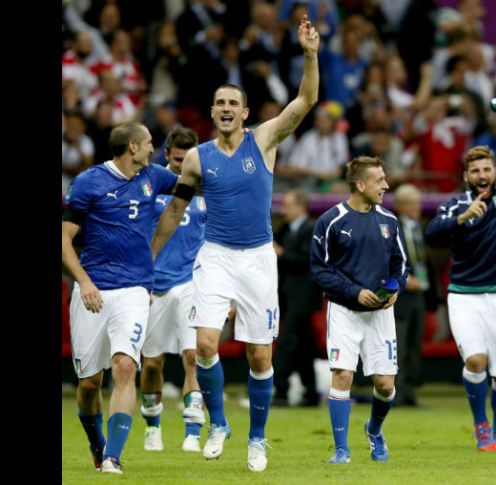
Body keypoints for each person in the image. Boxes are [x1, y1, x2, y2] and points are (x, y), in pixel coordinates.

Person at [151, 15, 320, 473]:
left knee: (259, 354)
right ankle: (219, 424)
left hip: (259, 259)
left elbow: (305, 100)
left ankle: (258, 440)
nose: (226, 107)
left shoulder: (263, 140)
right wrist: (148, 257)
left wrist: (309, 53)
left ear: (245, 113)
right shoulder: (197, 159)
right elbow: (173, 212)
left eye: (233, 102)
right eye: (219, 102)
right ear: (212, 112)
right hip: (216, 256)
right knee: (205, 345)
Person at [62, 122, 180, 474]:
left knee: (126, 366)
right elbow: (64, 241)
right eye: (148, 143)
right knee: (89, 384)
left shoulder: (154, 176)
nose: (152, 149)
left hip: (134, 288)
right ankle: (97, 444)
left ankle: (113, 456)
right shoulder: (88, 182)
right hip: (93, 290)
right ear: (131, 147)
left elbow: (194, 180)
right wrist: (83, 283)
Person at [424, 110, 496, 452]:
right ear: (467, 176)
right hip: (464, 297)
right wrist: (461, 218)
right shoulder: (455, 204)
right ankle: (481, 425)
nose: (482, 175)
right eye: (475, 170)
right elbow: (432, 234)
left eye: (487, 169)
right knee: (475, 362)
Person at [309, 156, 408, 464]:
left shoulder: (389, 221)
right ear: (361, 184)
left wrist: (394, 289)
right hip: (343, 311)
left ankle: (374, 430)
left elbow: (401, 265)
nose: (386, 186)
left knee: (385, 385)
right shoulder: (331, 220)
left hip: (380, 314)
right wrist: (355, 292)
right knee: (342, 376)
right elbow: (319, 270)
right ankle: (341, 450)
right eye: (380, 181)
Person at [139, 127, 206, 453]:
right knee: (152, 364)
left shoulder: (207, 188)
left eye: (188, 159)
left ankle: (192, 432)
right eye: (178, 159)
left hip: (191, 282)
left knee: (193, 356)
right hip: (154, 284)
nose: (182, 165)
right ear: (167, 154)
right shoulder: (151, 185)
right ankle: (152, 424)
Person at [273, 188, 323, 407]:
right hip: (288, 296)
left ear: (300, 207)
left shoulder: (311, 229)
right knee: (304, 346)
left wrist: (281, 254)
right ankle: (310, 392)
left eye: (288, 205)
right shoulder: (285, 229)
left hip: (303, 297)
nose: (284, 210)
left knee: (287, 344)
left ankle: (280, 390)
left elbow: (308, 261)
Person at [393, 183, 430, 407]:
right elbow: (386, 261)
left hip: (419, 296)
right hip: (399, 296)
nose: (417, 207)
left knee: (415, 346)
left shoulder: (418, 228)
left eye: (418, 203)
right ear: (400, 206)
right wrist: (405, 281)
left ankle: (409, 392)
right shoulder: (392, 228)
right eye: (411, 203)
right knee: (399, 346)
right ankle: (394, 393)